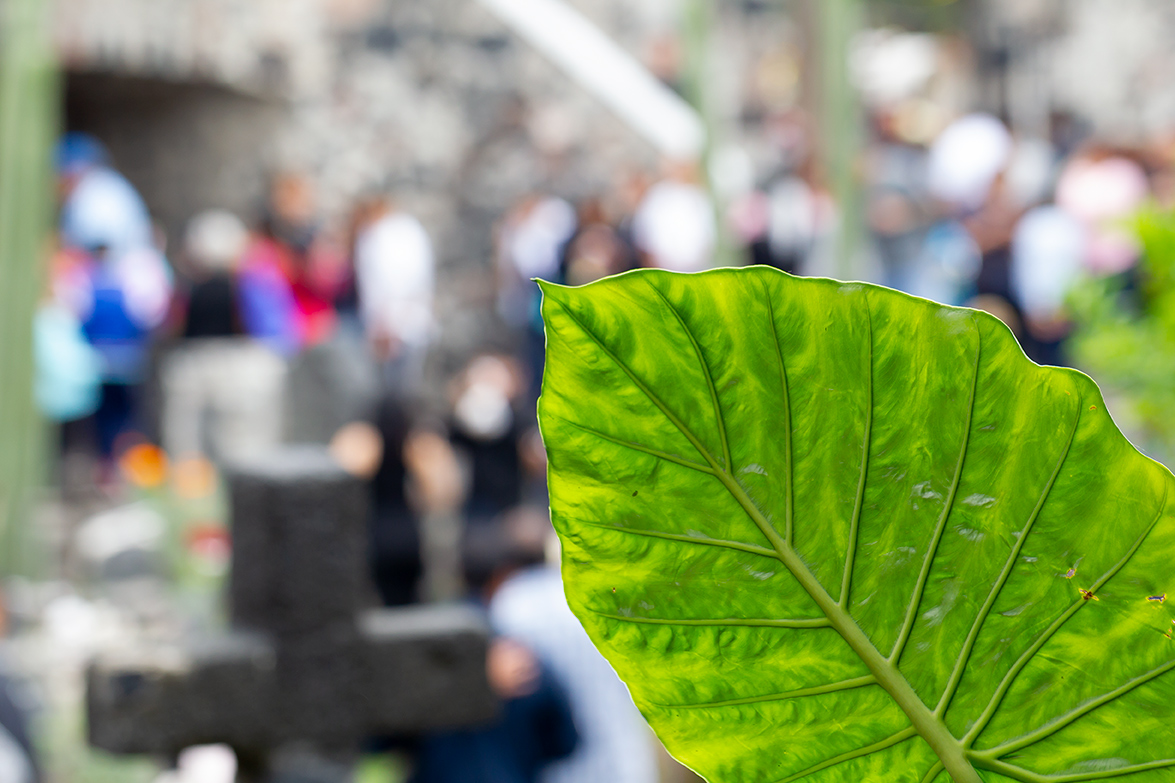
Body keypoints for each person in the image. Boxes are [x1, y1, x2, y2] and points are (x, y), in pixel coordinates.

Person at [352, 198, 436, 399]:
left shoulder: (375, 234)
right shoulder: (412, 229)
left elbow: (379, 283)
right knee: (409, 387)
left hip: (388, 325)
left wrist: (385, 324)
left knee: (388, 392)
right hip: (415, 317)